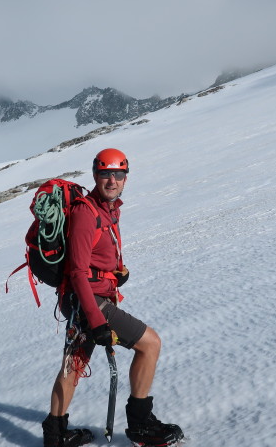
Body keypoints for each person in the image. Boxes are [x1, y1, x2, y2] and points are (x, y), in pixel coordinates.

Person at [41, 148, 184, 447]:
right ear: (95, 175)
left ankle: (55, 436)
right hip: (88, 301)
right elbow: (78, 271)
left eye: (119, 174)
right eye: (106, 173)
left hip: (88, 298)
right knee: (150, 344)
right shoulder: (85, 212)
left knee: (74, 365)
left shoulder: (108, 209)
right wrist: (96, 320)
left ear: (126, 178)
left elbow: (94, 259)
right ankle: (141, 426)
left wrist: (114, 275)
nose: (112, 180)